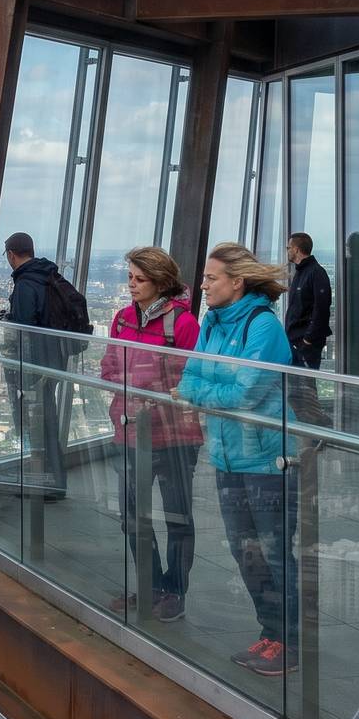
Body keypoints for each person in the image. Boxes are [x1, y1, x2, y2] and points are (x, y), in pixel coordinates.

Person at [175, 242, 296, 676]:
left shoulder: (263, 327)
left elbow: (245, 394)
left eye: (211, 278)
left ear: (237, 282)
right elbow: (189, 375)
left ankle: (291, 641)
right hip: (227, 455)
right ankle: (271, 633)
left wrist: (203, 395)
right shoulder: (213, 322)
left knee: (274, 551)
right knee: (245, 550)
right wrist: (206, 393)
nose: (203, 285)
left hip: (266, 459)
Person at [98, 247, 201, 621]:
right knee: (131, 516)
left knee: (177, 517)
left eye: (139, 279)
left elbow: (192, 379)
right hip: (130, 431)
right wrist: (133, 389)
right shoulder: (123, 319)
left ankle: (173, 591)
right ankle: (151, 585)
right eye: (130, 277)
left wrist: (144, 392)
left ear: (160, 282)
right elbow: (108, 365)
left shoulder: (184, 324)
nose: (132, 286)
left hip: (174, 435)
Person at [3, 232, 85, 493]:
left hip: (35, 364)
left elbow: (24, 329)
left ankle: (44, 482)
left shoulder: (26, 283)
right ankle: (53, 479)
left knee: (35, 423)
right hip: (55, 360)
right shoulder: (49, 276)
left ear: (11, 255)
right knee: (47, 418)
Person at [283, 233, 332, 369]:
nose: (287, 251)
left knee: (305, 386)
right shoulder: (301, 272)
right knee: (296, 385)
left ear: (296, 249)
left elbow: (321, 309)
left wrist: (308, 340)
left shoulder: (316, 273)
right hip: (295, 341)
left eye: (288, 248)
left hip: (305, 344)